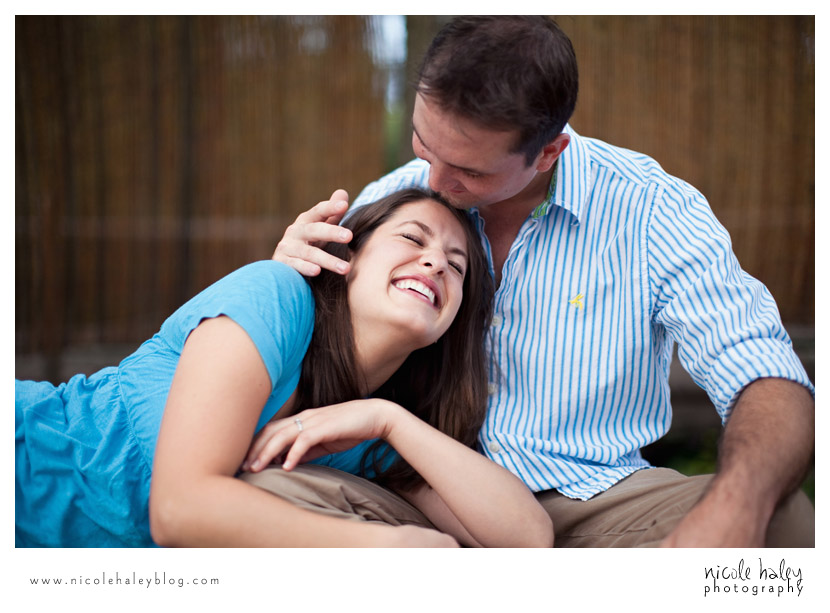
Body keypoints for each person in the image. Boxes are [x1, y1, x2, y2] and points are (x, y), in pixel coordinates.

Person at [273, 16, 815, 547]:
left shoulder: (653, 210)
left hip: (594, 502)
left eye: (471, 171)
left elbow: (762, 373)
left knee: (783, 523)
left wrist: (735, 509)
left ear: (549, 152)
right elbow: (307, 360)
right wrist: (288, 284)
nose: (434, 181)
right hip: (410, 489)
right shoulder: (397, 198)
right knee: (264, 491)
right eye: (422, 143)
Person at [15, 188, 553, 548]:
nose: (435, 263)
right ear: (346, 254)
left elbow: (528, 539)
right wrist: (387, 548)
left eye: (457, 267)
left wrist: (390, 421)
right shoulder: (276, 296)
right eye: (413, 239)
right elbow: (178, 509)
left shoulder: (369, 433)